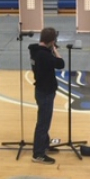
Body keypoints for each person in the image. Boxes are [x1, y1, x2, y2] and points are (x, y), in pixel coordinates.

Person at [28, 27, 65, 165]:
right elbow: (60, 64)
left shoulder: (35, 50)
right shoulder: (44, 55)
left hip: (41, 89)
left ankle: (44, 144)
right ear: (51, 41)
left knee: (45, 119)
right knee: (43, 122)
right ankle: (38, 153)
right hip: (45, 91)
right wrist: (55, 50)